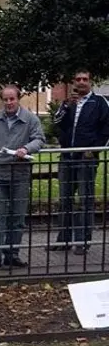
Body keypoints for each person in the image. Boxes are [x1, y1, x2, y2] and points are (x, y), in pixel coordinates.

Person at [0, 85, 45, 271]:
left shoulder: (30, 119)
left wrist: (26, 149)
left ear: (18, 99)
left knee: (17, 217)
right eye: (5, 99)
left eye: (12, 99)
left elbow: (39, 139)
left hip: (20, 174)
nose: (8, 103)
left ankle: (12, 254)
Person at [51, 70, 109, 255]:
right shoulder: (68, 103)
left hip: (86, 159)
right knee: (65, 200)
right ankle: (64, 239)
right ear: (74, 82)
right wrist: (66, 106)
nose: (82, 82)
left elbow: (107, 129)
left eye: (85, 79)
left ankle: (83, 241)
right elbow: (56, 123)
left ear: (90, 82)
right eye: (78, 79)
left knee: (85, 200)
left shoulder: (99, 103)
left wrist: (94, 150)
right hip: (67, 157)